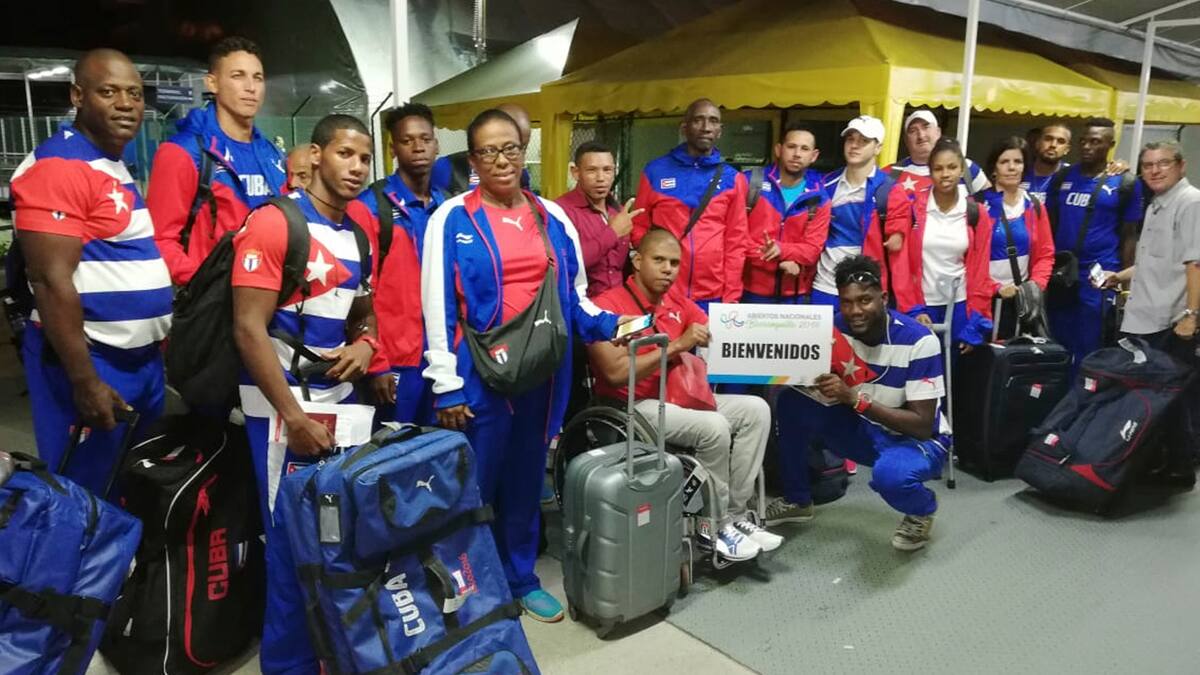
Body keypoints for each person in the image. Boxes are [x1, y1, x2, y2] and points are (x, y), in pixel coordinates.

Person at [422, 109, 622, 623]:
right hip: (477, 374)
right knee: (474, 484)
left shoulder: (552, 217)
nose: (501, 160)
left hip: (542, 373)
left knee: (527, 478)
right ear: (473, 161)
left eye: (510, 148)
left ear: (522, 152)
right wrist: (446, 384)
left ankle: (521, 578)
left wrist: (614, 324)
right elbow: (438, 306)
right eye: (488, 151)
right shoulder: (452, 218)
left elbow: (575, 296)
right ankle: (471, 589)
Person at [232, 114, 379, 674]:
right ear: (316, 156)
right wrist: (292, 417)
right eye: (345, 154)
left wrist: (366, 344)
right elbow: (248, 328)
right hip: (281, 415)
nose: (356, 167)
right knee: (290, 541)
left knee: (332, 539)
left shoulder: (357, 233)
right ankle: (287, 664)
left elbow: (363, 314)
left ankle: (324, 655)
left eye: (364, 158)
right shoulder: (275, 222)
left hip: (339, 407)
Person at [11, 48, 172, 496]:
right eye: (109, 92)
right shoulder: (59, 166)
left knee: (133, 486)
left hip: (140, 361)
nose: (126, 104)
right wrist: (84, 381)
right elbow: (49, 280)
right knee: (87, 496)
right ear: (78, 96)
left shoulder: (112, 165)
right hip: (94, 361)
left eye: (134, 94)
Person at [588, 227, 781, 562]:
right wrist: (677, 345)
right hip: (632, 406)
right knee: (714, 427)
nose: (668, 269)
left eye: (675, 263)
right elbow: (615, 373)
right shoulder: (607, 306)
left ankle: (735, 516)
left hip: (679, 397)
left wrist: (796, 344)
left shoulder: (676, 301)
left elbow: (722, 333)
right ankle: (714, 525)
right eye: (659, 260)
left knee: (756, 410)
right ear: (637, 261)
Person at [766, 256, 950, 551]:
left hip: (916, 441)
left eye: (864, 300)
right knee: (791, 402)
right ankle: (798, 499)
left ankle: (921, 509)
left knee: (891, 476)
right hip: (863, 428)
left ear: (883, 298)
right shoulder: (833, 328)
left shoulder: (919, 340)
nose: (855, 311)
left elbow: (922, 426)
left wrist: (855, 400)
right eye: (847, 302)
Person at [148, 36, 286, 286]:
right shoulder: (183, 152)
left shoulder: (273, 155)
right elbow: (160, 240)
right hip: (214, 301)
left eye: (258, 78)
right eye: (238, 76)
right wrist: (206, 288)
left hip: (271, 297)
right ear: (212, 83)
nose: (251, 87)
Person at [1102, 140, 1200, 482]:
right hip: (1145, 316)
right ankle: (1160, 461)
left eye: (1164, 163)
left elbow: (1195, 264)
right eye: (1148, 165)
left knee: (1173, 398)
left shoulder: (1191, 203)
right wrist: (1120, 276)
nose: (1155, 170)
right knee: (1153, 397)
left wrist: (1191, 315)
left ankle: (1180, 468)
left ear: (1181, 165)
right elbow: (1154, 261)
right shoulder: (1157, 204)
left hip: (1170, 320)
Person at [355, 103, 445, 426]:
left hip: (440, 358)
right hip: (394, 359)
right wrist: (377, 362)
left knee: (436, 448)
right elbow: (359, 292)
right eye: (407, 140)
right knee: (390, 447)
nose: (418, 147)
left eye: (425, 139)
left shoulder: (447, 206)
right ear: (393, 149)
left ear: (437, 145)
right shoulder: (371, 207)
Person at [1046, 117, 1144, 372]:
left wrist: (1126, 286)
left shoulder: (1125, 183)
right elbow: (1050, 225)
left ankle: (1084, 393)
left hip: (1100, 276)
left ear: (1110, 145)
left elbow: (1129, 235)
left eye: (1096, 142)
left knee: (1090, 345)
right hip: (1063, 274)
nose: (1087, 147)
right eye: (1084, 141)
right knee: (1057, 341)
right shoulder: (1063, 177)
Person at [632, 98, 749, 311]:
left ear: (720, 131)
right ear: (684, 128)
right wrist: (649, 279)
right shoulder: (655, 171)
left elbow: (736, 242)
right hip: (663, 292)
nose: (706, 127)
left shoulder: (733, 179)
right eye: (698, 120)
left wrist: (730, 298)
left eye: (713, 121)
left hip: (713, 294)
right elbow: (639, 228)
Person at [890, 138, 994, 350]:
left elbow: (980, 272)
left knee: (955, 369)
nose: (945, 174)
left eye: (952, 167)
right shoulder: (912, 208)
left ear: (961, 169)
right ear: (930, 172)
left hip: (960, 307)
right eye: (938, 168)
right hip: (921, 306)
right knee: (921, 367)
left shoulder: (977, 213)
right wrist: (914, 310)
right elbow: (900, 266)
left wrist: (976, 323)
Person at [815, 115, 909, 307]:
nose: (854, 145)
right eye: (850, 139)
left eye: (864, 141)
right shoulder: (825, 184)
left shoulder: (891, 191)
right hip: (824, 286)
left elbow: (900, 258)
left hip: (866, 290)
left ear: (878, 148)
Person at [742, 123, 830, 304]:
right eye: (791, 146)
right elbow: (737, 239)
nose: (797, 154)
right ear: (778, 149)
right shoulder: (750, 183)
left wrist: (781, 250)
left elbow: (812, 250)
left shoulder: (819, 197)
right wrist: (777, 262)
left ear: (814, 156)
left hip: (795, 294)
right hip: (748, 290)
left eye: (804, 149)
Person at [980, 136, 1055, 339]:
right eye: (1004, 162)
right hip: (983, 303)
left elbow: (1045, 254)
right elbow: (967, 261)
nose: (1012, 167)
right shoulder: (977, 206)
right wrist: (995, 288)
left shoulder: (1034, 206)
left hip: (1021, 306)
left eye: (1018, 162)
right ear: (994, 168)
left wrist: (1035, 286)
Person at [556, 140, 642, 297]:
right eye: (591, 170)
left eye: (607, 170)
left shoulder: (618, 211)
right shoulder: (560, 211)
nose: (601, 178)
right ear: (575, 172)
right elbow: (566, 264)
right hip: (581, 306)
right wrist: (612, 234)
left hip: (619, 303)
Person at [431, 102, 533, 196]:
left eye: (522, 147)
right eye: (508, 147)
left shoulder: (521, 175)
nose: (504, 160)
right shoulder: (447, 167)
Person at [888, 110, 990, 196]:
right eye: (913, 131)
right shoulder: (890, 173)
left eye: (926, 127)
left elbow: (992, 204)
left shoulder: (966, 167)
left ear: (938, 132)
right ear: (906, 140)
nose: (921, 135)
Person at [1020, 122, 1071, 202]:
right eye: (1048, 139)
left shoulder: (1072, 175)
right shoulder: (1020, 172)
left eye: (1060, 141)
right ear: (1037, 143)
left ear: (1067, 149)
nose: (1053, 145)